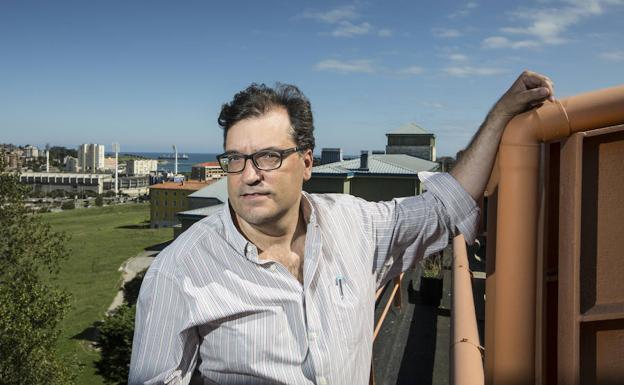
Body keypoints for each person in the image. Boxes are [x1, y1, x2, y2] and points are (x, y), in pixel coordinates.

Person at [128, 70, 554, 385]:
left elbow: (444, 207)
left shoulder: (355, 224)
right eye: (235, 159)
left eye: (268, 157)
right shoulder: (178, 272)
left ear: (308, 163)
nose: (249, 174)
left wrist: (500, 115)